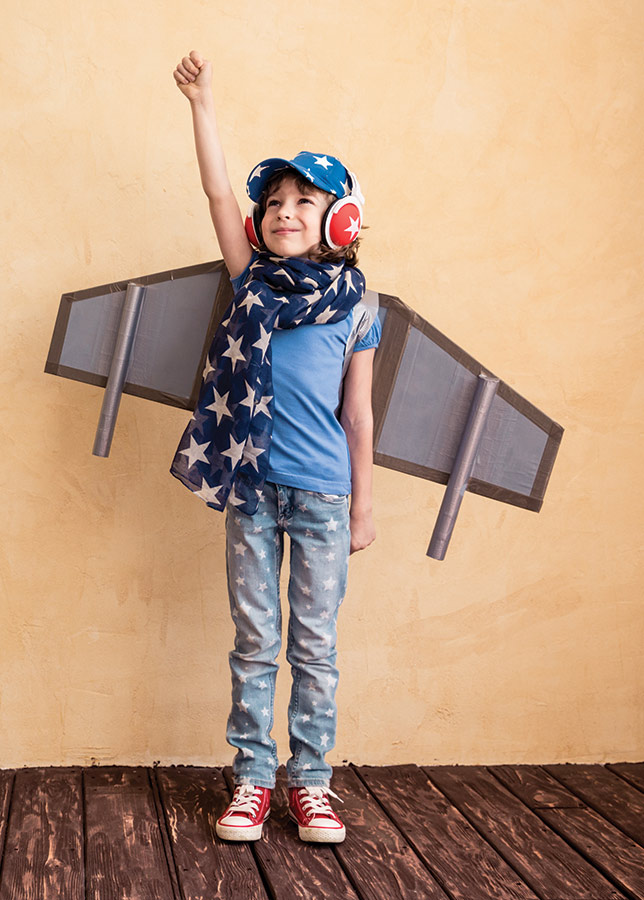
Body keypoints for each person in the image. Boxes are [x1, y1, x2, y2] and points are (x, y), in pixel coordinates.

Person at [170, 51, 379, 844]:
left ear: (340, 217)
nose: (284, 209)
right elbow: (218, 190)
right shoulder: (248, 277)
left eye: (304, 198)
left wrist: (365, 502)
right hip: (252, 490)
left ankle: (312, 784)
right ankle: (254, 780)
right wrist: (203, 104)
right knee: (256, 641)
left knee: (315, 647)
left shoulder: (359, 308)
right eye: (276, 200)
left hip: (325, 497)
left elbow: (358, 416)